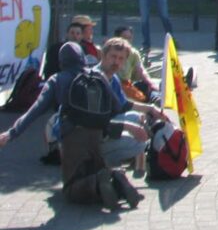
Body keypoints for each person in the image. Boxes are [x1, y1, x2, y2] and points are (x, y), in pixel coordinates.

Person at [0, 42, 143, 209]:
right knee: (95, 170)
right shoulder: (98, 76)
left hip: (72, 137)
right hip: (97, 136)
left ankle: (99, 180)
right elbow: (117, 106)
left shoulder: (57, 80)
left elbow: (36, 110)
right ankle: (115, 176)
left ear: (62, 61)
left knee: (71, 189)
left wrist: (12, 133)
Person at [94, 37, 167, 169]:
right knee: (139, 144)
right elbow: (95, 123)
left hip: (102, 128)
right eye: (113, 56)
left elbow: (124, 105)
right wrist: (128, 127)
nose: (116, 62)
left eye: (121, 58)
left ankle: (135, 164)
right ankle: (105, 168)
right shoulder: (95, 80)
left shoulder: (112, 77)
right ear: (103, 56)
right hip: (88, 139)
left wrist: (150, 109)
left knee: (137, 118)